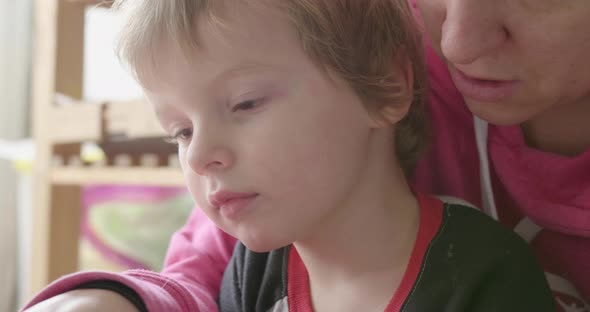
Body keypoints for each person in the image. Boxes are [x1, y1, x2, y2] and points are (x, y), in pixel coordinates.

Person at [23, 0, 590, 311]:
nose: (456, 43)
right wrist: (109, 302)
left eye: (245, 103)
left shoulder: (479, 274)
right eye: (177, 132)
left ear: (388, 88)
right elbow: (198, 273)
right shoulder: (262, 254)